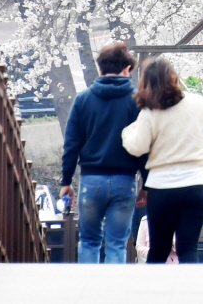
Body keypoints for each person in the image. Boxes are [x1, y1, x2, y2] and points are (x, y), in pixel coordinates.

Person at [120, 56, 203, 264]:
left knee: (159, 249)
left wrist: (127, 131)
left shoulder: (150, 111)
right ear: (174, 77)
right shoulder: (199, 104)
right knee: (188, 247)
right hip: (196, 184)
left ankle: (156, 295)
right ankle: (190, 295)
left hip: (162, 187)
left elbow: (138, 147)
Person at [59, 41, 146, 263]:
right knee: (117, 242)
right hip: (124, 180)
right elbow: (146, 144)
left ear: (99, 69)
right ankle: (113, 292)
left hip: (91, 180)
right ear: (127, 69)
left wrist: (66, 180)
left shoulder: (83, 100)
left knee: (89, 240)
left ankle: (89, 292)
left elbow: (71, 144)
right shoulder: (136, 102)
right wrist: (146, 182)